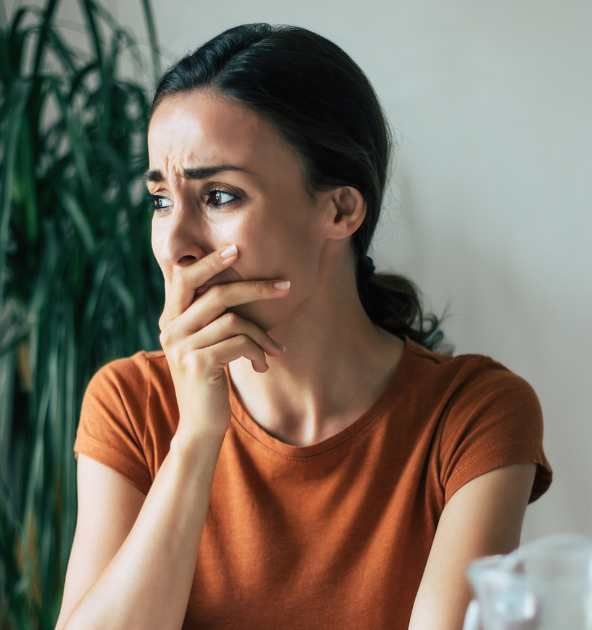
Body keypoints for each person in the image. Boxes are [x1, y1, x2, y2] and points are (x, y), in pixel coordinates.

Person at [56, 23, 552, 630]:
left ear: (340, 208)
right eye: (161, 200)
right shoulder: (132, 403)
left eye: (219, 196)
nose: (176, 245)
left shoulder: (473, 415)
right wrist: (196, 438)